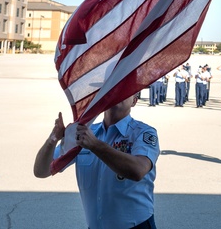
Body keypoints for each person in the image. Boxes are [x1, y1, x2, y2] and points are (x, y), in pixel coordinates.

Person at [34, 93, 160, 229]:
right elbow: (41, 171)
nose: (117, 92)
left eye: (125, 90)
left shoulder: (143, 133)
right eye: (113, 88)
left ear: (134, 101)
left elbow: (138, 170)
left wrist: (95, 145)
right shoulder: (84, 132)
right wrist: (52, 139)